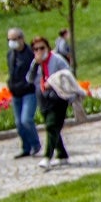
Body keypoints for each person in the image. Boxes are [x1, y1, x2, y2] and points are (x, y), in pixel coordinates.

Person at [32, 35, 74, 167]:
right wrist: (35, 65)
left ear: (48, 47)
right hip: (44, 100)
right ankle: (62, 155)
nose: (39, 51)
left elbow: (68, 75)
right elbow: (29, 79)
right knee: (53, 128)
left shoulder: (57, 60)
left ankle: (47, 157)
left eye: (42, 48)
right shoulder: (36, 63)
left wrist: (53, 82)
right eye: (36, 49)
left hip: (58, 99)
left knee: (51, 126)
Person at [5, 27, 39, 157]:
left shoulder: (30, 53)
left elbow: (35, 72)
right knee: (18, 123)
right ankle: (26, 147)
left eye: (14, 39)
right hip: (16, 93)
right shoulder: (10, 54)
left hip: (28, 91)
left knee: (26, 120)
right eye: (9, 39)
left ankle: (35, 144)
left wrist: (28, 84)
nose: (12, 42)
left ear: (21, 38)